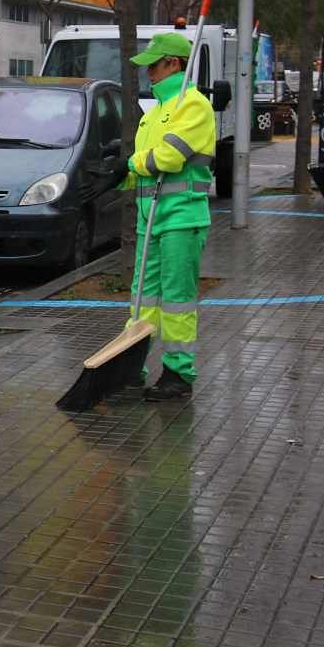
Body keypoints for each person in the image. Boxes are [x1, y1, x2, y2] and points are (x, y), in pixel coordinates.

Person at [117, 32, 216, 402]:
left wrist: (131, 163)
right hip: (151, 218)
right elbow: (145, 167)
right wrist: (119, 175)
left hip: (181, 218)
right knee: (143, 299)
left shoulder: (193, 105)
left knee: (176, 299)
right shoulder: (155, 112)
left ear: (173, 63)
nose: (149, 74)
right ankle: (131, 364)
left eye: (154, 66)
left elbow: (169, 158)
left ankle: (178, 373)